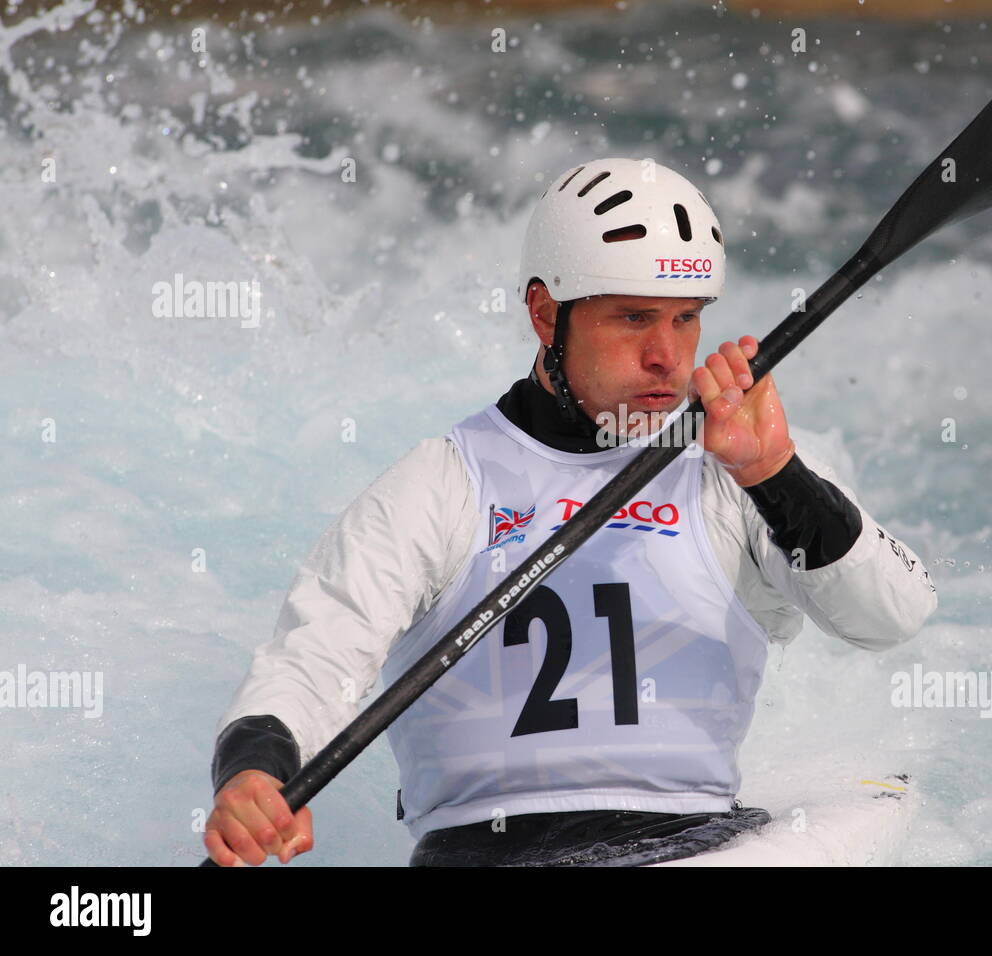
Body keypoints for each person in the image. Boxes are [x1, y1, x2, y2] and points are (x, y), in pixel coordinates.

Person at [203, 157, 937, 867]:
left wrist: (772, 474)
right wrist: (255, 774)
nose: (667, 357)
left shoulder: (735, 465)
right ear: (544, 312)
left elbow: (891, 616)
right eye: (633, 319)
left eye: (686, 320)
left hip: (695, 844)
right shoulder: (442, 484)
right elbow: (313, 656)